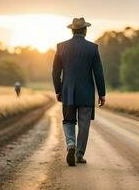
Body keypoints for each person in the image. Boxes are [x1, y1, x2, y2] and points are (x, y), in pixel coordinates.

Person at [52, 17, 106, 166]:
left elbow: (55, 73)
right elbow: (98, 73)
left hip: (68, 91)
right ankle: (79, 155)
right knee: (84, 125)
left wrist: (58, 90)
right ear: (85, 30)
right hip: (86, 93)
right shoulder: (93, 48)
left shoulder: (61, 47)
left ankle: (70, 144)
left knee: (68, 120)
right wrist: (102, 93)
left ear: (72, 30)